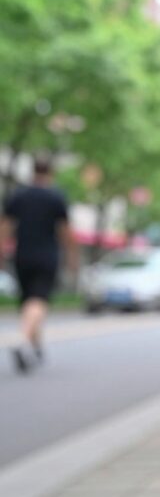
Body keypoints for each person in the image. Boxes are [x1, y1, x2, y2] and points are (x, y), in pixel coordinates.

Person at [1, 158, 78, 375]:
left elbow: (5, 227)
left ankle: (36, 348)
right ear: (51, 173)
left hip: (22, 255)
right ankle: (23, 341)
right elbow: (65, 232)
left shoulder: (18, 196)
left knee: (28, 302)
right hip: (47, 255)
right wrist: (72, 258)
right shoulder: (56, 197)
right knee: (39, 301)